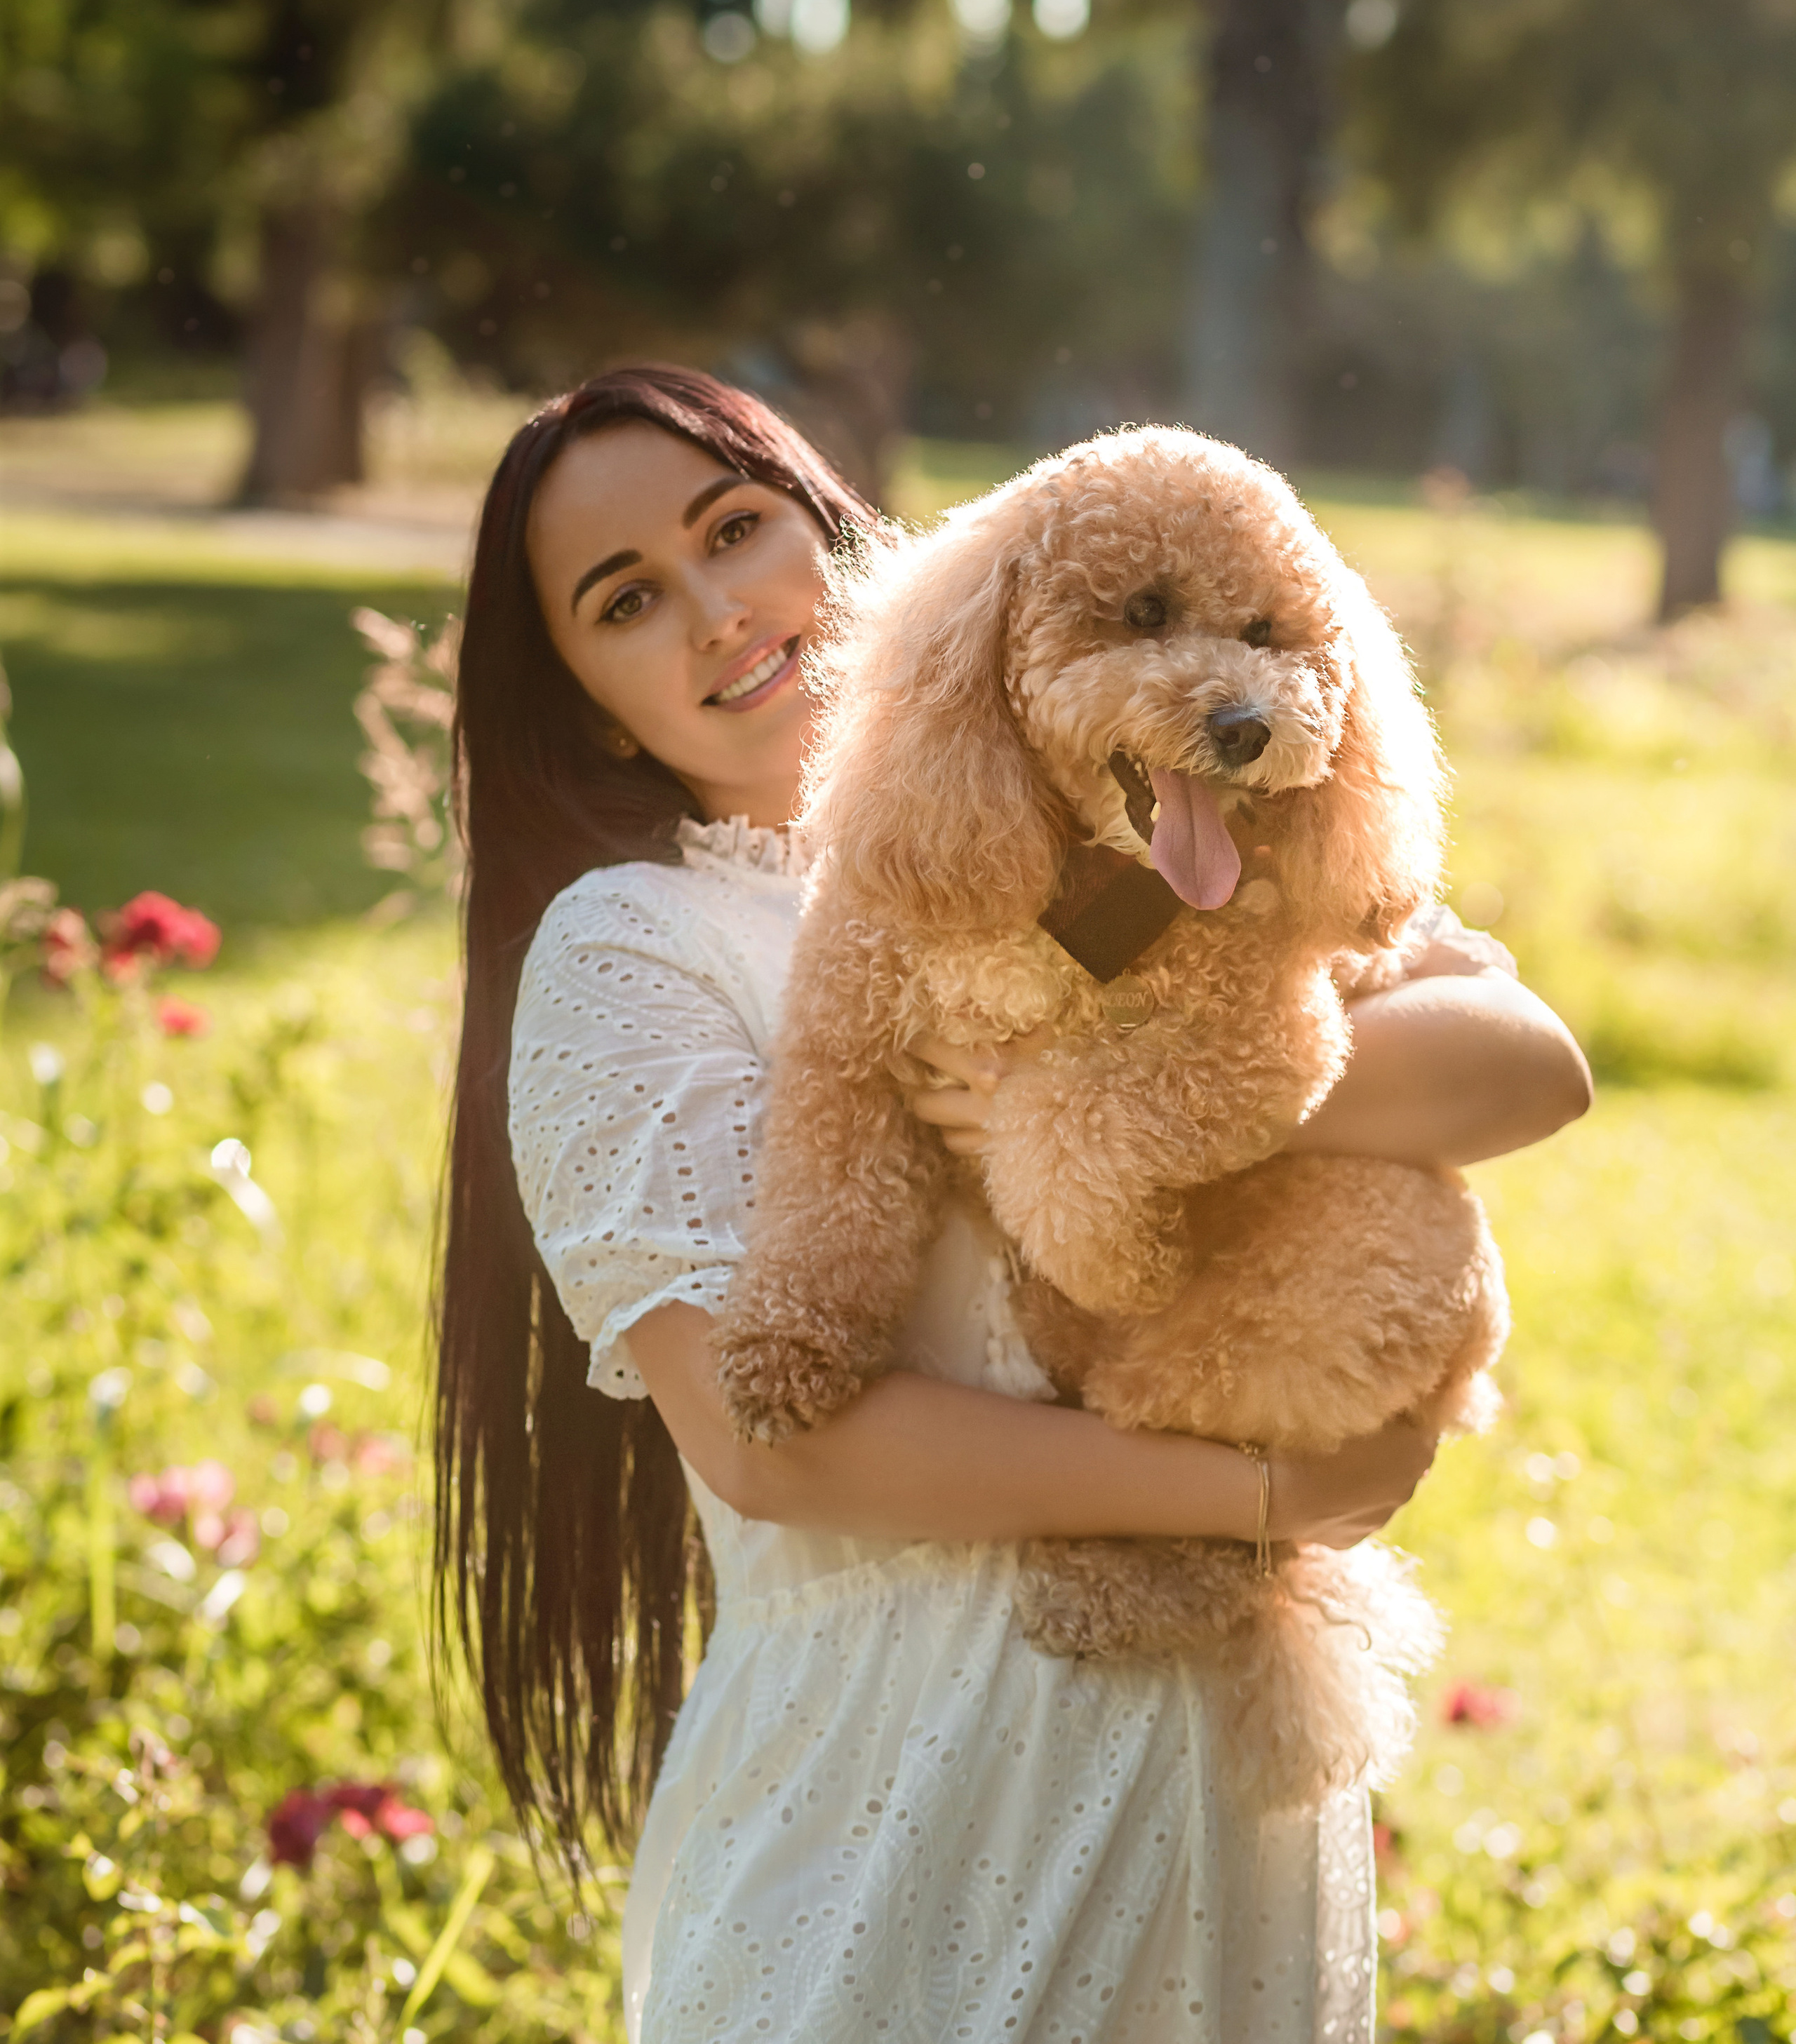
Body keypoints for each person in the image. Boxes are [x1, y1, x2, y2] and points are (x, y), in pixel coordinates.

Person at [436, 364, 1592, 2044]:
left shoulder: (1133, 816)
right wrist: (1259, 1490)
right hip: (898, 1789)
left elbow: (1525, 1065)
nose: (715, 611)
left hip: (1206, 1806)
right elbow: (772, 1444)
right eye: (627, 604)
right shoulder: (635, 950)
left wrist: (1137, 1111)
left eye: (734, 528)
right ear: (596, 701)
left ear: (832, 530)